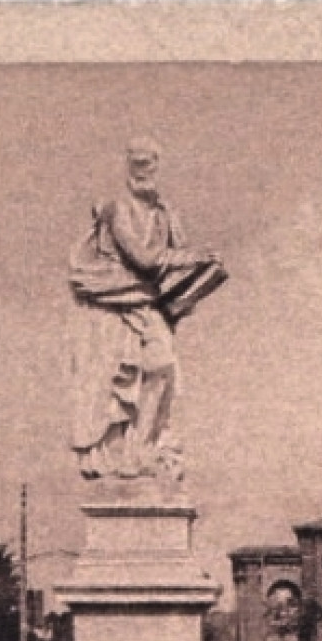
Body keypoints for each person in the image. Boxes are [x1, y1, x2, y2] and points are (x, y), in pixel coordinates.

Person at [68, 137, 222, 480]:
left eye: (149, 162)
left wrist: (203, 263)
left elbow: (179, 252)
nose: (143, 169)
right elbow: (144, 259)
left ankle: (143, 449)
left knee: (163, 368)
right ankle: (127, 452)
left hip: (147, 304)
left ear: (157, 165)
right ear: (128, 165)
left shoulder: (163, 212)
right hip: (115, 304)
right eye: (137, 162)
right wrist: (189, 257)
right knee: (123, 380)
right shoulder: (116, 208)